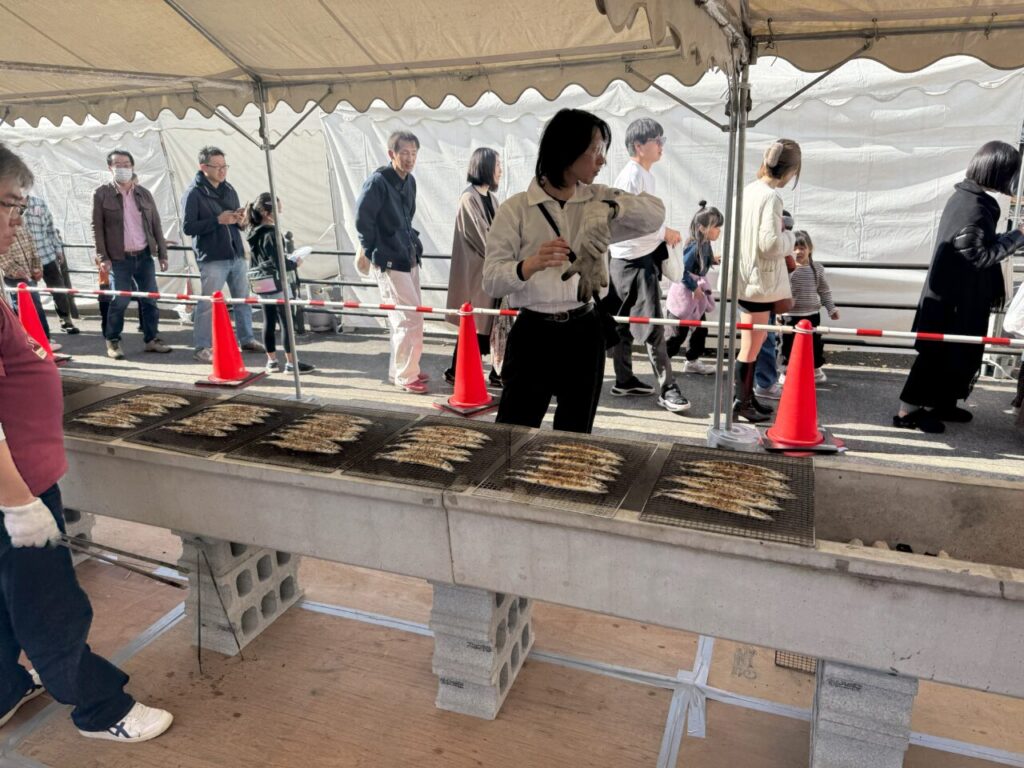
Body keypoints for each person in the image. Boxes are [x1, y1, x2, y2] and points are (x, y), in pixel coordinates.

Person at [0, 142, 173, 744]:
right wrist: (19, 504)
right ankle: (100, 709)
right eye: (10, 206)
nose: (18, 220)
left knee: (6, 598)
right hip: (15, 491)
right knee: (49, 605)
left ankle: (4, 687)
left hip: (15, 485)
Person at [483, 108, 665, 433]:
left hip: (584, 330)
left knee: (575, 434)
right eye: (595, 150)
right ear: (567, 150)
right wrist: (528, 265)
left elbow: (655, 213)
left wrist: (611, 209)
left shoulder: (598, 198)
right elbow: (491, 280)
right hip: (533, 333)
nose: (602, 160)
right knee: (513, 431)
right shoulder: (517, 208)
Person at [895, 140, 1024, 433]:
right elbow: (978, 256)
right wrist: (1018, 236)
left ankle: (941, 404)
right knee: (935, 356)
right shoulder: (973, 207)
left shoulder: (967, 198)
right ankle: (906, 412)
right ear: (999, 171)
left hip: (956, 297)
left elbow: (975, 249)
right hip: (951, 301)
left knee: (955, 354)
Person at [603, 118, 689, 413]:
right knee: (652, 326)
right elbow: (629, 221)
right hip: (634, 260)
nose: (662, 145)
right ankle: (668, 388)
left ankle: (624, 379)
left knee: (623, 325)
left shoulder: (640, 175)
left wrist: (662, 231)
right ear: (639, 146)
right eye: (657, 140)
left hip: (627, 260)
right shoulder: (632, 177)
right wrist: (665, 232)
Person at [734, 140, 801, 423]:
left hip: (746, 277)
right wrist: (791, 237)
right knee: (751, 346)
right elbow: (770, 243)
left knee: (754, 343)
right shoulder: (771, 197)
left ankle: (747, 399)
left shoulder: (748, 190)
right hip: (760, 282)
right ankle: (742, 402)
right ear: (791, 171)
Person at [355, 131, 427, 393]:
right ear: (391, 154)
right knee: (409, 318)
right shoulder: (378, 181)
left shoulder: (410, 181)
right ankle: (406, 374)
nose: (410, 158)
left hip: (408, 254)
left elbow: (409, 215)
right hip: (389, 259)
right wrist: (373, 250)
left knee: (407, 317)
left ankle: (403, 369)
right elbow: (362, 220)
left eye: (413, 153)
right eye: (404, 153)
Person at [183, 146, 264, 362]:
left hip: (236, 253)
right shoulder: (193, 193)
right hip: (212, 257)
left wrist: (241, 219)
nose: (222, 170)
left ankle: (246, 338)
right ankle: (202, 347)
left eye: (225, 166)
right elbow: (188, 227)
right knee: (208, 302)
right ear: (203, 167)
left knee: (242, 300)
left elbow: (237, 224)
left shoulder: (229, 189)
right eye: (217, 166)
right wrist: (217, 220)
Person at [91, 149, 172, 360]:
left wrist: (162, 253)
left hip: (144, 255)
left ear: (133, 166)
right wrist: (103, 257)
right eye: (118, 165)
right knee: (120, 300)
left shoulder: (144, 193)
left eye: (126, 164)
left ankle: (151, 339)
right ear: (110, 168)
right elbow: (96, 228)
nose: (123, 168)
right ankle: (113, 340)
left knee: (151, 299)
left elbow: (156, 224)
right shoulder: (101, 194)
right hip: (118, 258)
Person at [444, 147, 503, 387]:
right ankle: (460, 371)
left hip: (488, 271)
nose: (500, 171)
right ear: (485, 167)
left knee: (485, 324)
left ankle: (477, 371)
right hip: (475, 272)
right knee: (476, 324)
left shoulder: (491, 198)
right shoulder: (469, 198)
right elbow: (483, 237)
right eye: (497, 165)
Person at [245, 193, 314, 374]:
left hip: (260, 283)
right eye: (278, 209)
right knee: (286, 323)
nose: (280, 212)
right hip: (276, 282)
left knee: (268, 321)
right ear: (266, 212)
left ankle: (272, 362)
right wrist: (294, 263)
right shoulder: (272, 233)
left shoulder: (253, 232)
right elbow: (279, 263)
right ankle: (291, 363)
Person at [666, 202, 723, 375]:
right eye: (716, 227)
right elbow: (682, 270)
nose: (719, 231)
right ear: (702, 228)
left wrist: (713, 260)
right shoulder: (694, 246)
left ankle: (692, 360)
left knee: (700, 329)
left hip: (695, 296)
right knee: (677, 333)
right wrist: (693, 287)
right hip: (685, 294)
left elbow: (700, 263)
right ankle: (662, 360)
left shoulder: (705, 244)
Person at [780, 230, 839, 383]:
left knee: (815, 343)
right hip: (789, 315)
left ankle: (815, 369)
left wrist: (831, 308)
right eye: (794, 248)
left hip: (812, 314)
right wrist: (778, 312)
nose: (798, 252)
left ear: (810, 249)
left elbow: (824, 290)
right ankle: (786, 371)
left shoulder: (817, 268)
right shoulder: (785, 268)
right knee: (787, 345)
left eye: (802, 248)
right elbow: (779, 290)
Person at [24, 195, 78, 334]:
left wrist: (58, 249)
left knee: (59, 290)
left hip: (47, 255)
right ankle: (38, 329)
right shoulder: (8, 204)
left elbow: (50, 229)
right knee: (31, 296)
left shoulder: (39, 203)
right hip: (25, 260)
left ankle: (66, 320)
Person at [0, 226, 60, 351]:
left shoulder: (20, 225)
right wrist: (16, 271)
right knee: (25, 308)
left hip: (29, 273)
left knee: (34, 305)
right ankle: (36, 342)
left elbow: (33, 247)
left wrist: (37, 267)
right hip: (14, 277)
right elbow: (3, 257)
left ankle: (42, 340)